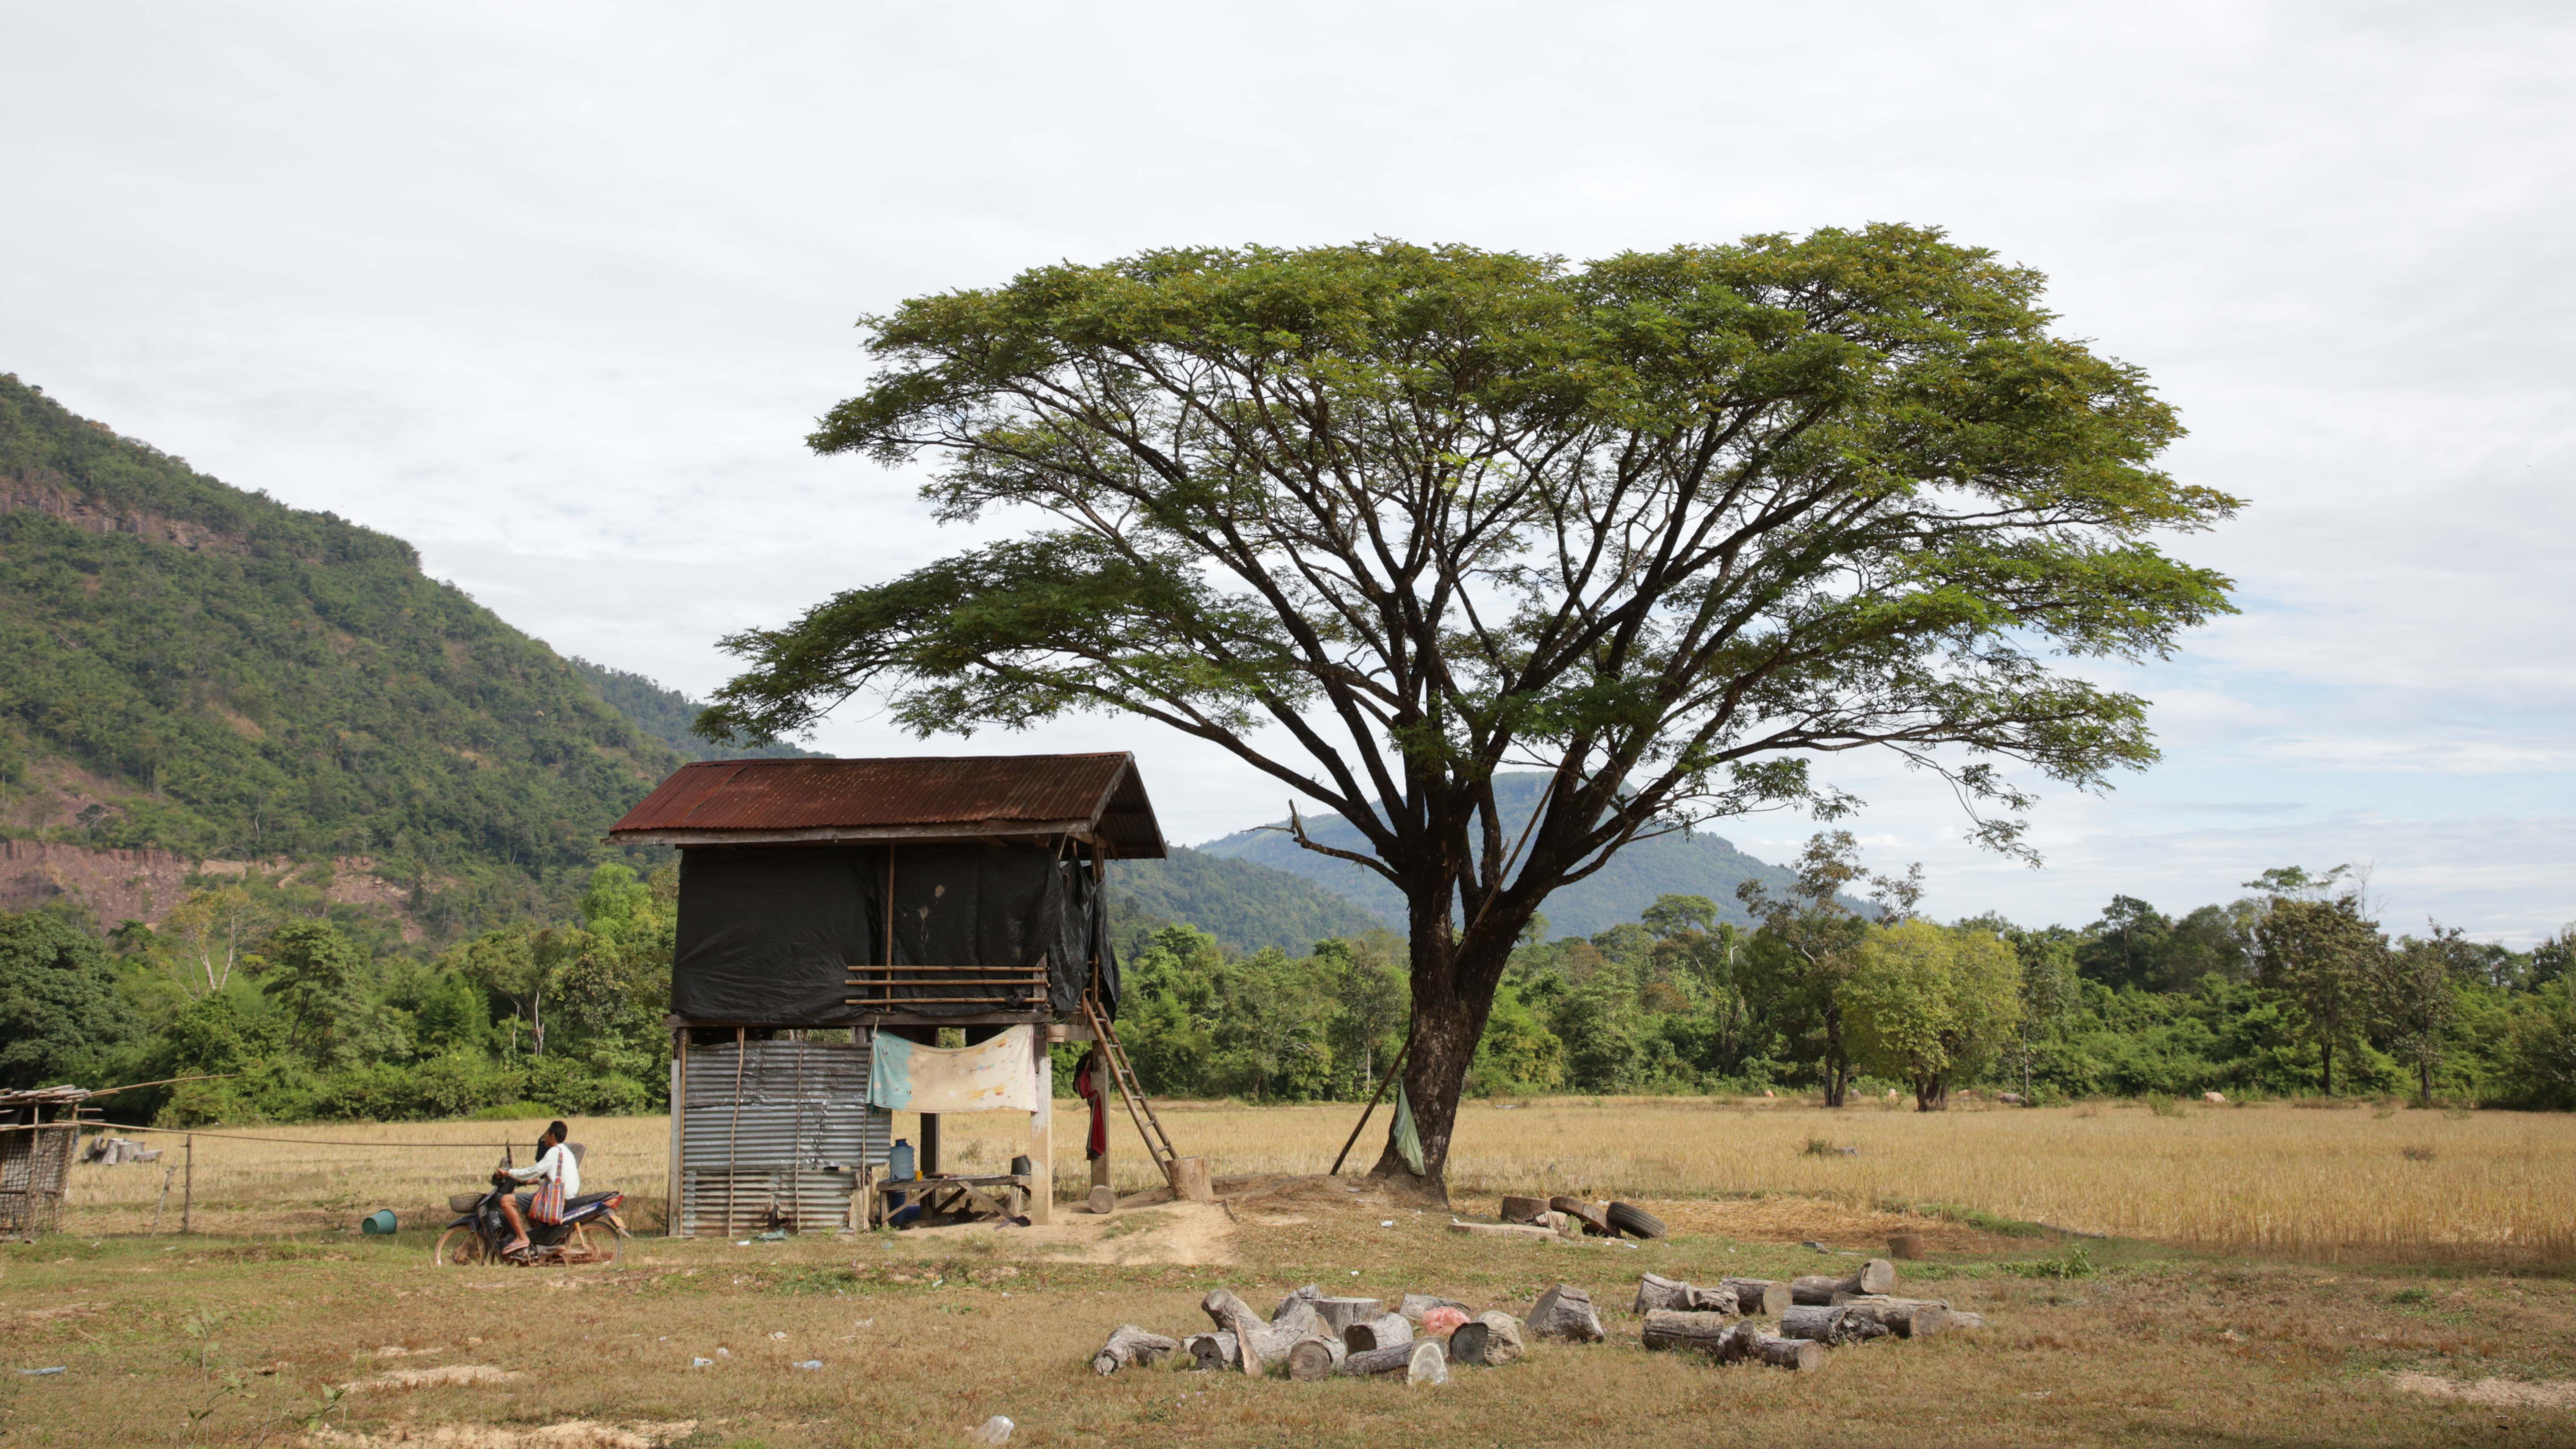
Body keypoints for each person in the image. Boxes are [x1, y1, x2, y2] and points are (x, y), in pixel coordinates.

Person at [493, 1120, 580, 1258]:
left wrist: (509, 1173)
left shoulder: (554, 1151)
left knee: (505, 1201)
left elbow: (535, 1170)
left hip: (556, 1198)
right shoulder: (566, 1152)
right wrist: (532, 1182)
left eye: (546, 1134)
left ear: (553, 1135)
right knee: (530, 1207)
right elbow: (555, 1177)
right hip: (565, 1196)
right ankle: (538, 1240)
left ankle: (522, 1238)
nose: (545, 1137)